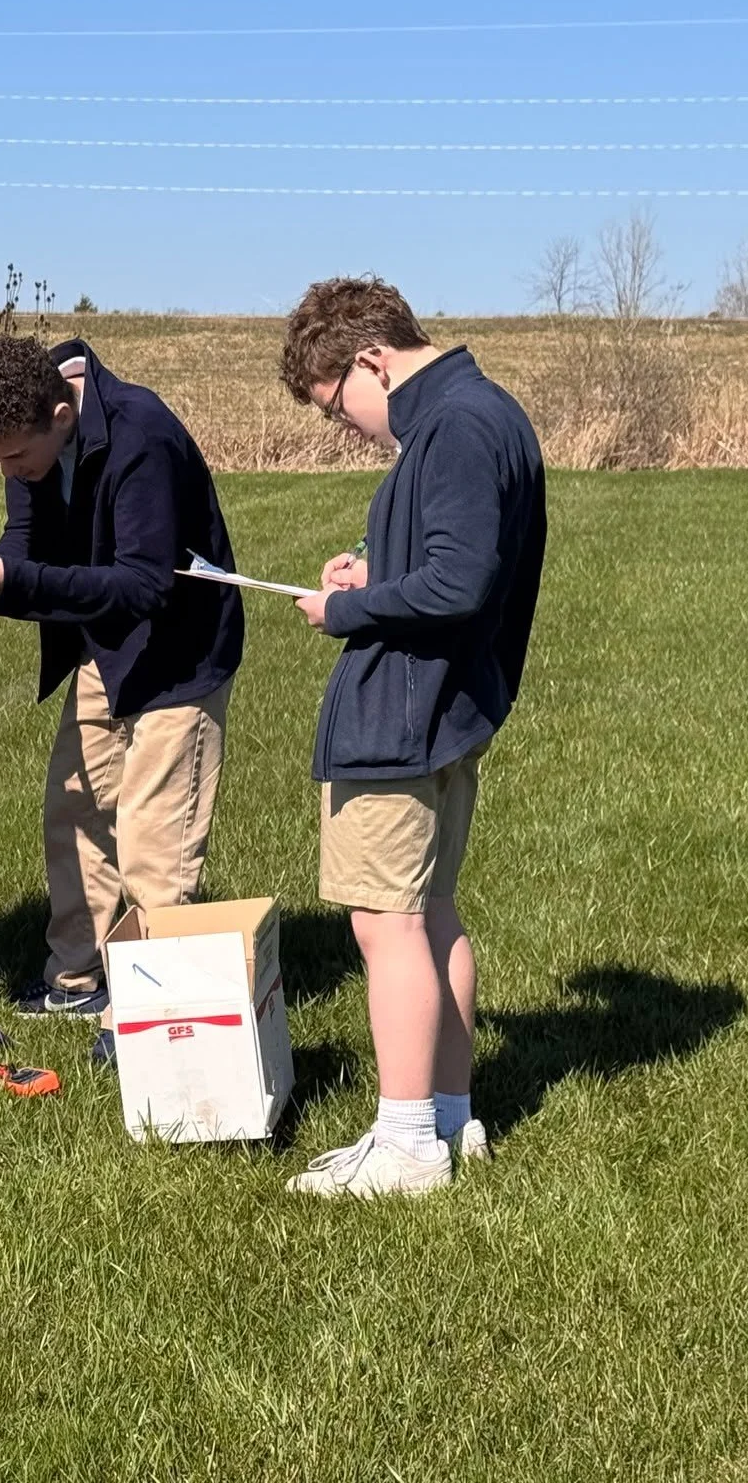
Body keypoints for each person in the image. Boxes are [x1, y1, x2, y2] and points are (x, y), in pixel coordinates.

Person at [278, 277, 546, 1198]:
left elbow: (459, 583)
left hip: (405, 713)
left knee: (385, 924)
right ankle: (446, 1112)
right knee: (431, 914)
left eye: (337, 407)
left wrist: (350, 606)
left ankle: (405, 1145)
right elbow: (445, 559)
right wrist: (376, 565)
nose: (349, 428)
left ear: (369, 360)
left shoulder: (455, 425)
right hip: (445, 706)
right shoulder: (476, 413)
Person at [0, 335, 244, 1066]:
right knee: (73, 816)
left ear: (62, 413)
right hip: (104, 649)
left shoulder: (143, 435)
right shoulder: (28, 428)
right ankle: (77, 982)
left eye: (17, 460)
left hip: (180, 656)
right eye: (0, 461)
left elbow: (146, 584)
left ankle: (153, 1014)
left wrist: (18, 584)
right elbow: (28, 543)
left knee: (152, 846)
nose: (11, 473)